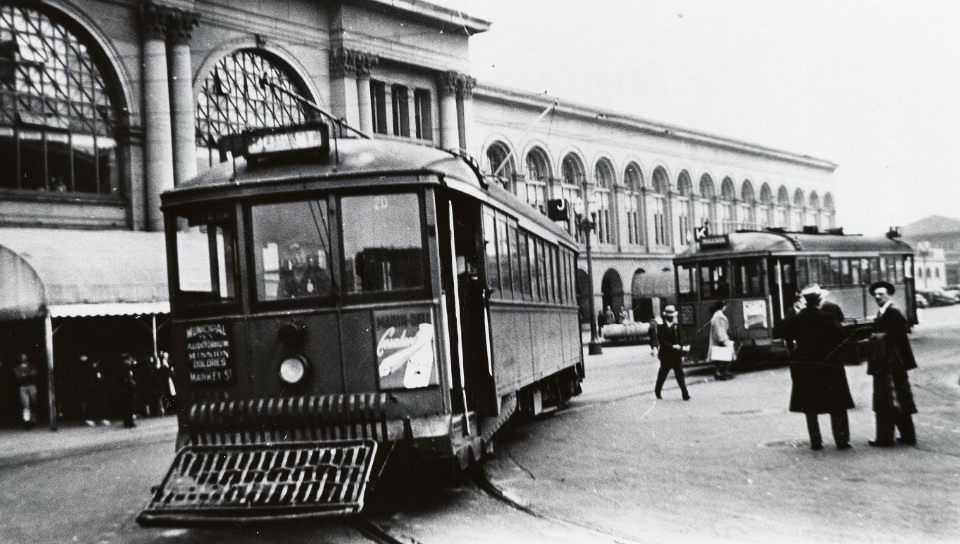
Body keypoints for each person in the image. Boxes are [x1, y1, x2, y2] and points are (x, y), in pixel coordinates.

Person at [779, 284, 854, 451]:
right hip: (829, 367)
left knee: (810, 406)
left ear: (805, 301)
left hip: (805, 367)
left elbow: (785, 335)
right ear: (819, 300)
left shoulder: (796, 319)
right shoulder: (827, 318)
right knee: (836, 405)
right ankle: (841, 441)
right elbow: (843, 339)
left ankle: (816, 442)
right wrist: (835, 356)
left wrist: (795, 355)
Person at [867, 280, 918, 447]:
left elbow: (894, 338)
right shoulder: (887, 311)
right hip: (894, 362)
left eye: (881, 294)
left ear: (888, 294)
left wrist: (873, 338)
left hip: (888, 362)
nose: (877, 297)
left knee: (885, 399)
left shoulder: (892, 312)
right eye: (875, 294)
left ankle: (884, 438)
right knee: (900, 397)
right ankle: (907, 435)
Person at [650, 305, 690, 401]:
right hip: (666, 355)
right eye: (669, 315)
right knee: (663, 374)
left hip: (676, 355)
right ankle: (657, 391)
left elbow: (681, 339)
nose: (671, 317)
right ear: (666, 316)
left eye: (672, 315)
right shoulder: (661, 327)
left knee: (680, 374)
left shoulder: (677, 327)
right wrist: (673, 346)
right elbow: (662, 341)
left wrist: (683, 347)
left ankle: (685, 394)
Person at [78, 355, 111, 426]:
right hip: (91, 389)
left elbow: (100, 377)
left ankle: (102, 418)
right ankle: (89, 419)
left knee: (101, 403)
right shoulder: (88, 369)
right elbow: (86, 379)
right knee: (91, 404)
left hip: (98, 388)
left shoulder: (98, 368)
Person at [708, 300, 735, 381]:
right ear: (723, 307)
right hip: (720, 339)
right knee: (723, 357)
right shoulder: (719, 317)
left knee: (720, 357)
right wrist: (723, 340)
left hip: (719, 339)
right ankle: (720, 373)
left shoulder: (717, 315)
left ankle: (720, 373)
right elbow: (719, 330)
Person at [13, 353, 39, 430]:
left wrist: (25, 375)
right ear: (20, 359)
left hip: (32, 386)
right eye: (22, 357)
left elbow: (34, 373)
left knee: (34, 402)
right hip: (23, 387)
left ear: (27, 358)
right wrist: (28, 374)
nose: (24, 358)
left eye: (25, 357)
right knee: (25, 404)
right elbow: (18, 377)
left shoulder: (31, 366)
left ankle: (33, 419)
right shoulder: (18, 368)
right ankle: (27, 421)